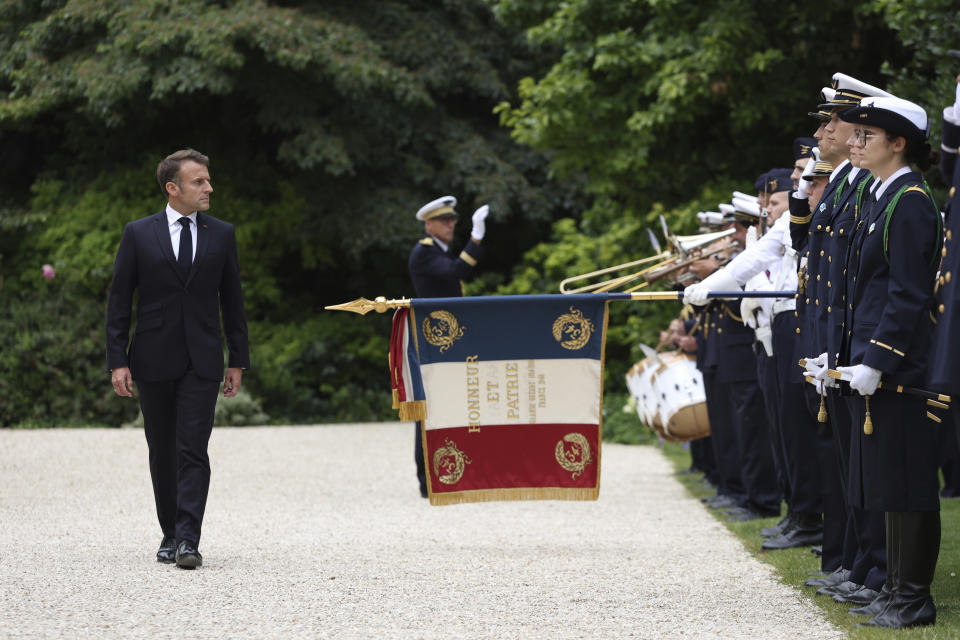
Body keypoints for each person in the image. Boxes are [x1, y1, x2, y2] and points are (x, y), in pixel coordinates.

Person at [105, 149, 250, 569]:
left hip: (202, 360)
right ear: (173, 188)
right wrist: (118, 360)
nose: (209, 187)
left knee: (193, 449)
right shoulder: (138, 233)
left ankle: (189, 539)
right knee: (161, 449)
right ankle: (169, 531)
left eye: (208, 180)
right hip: (151, 357)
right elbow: (119, 302)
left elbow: (233, 302)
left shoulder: (221, 234)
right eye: (199, 181)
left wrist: (237, 360)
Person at [834, 96, 942, 629]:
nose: (854, 143)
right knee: (884, 480)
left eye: (865, 136)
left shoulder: (912, 200)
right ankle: (895, 589)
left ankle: (914, 597)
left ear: (897, 144)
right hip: (879, 360)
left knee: (906, 480)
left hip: (903, 366)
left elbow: (907, 293)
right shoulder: (885, 198)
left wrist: (877, 358)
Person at [407, 195, 489, 497]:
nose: (450, 224)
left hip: (447, 340)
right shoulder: (424, 252)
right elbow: (457, 272)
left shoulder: (438, 252)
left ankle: (450, 472)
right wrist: (476, 237)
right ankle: (428, 479)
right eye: (444, 220)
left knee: (451, 405)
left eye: (453, 220)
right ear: (428, 224)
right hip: (433, 340)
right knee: (429, 409)